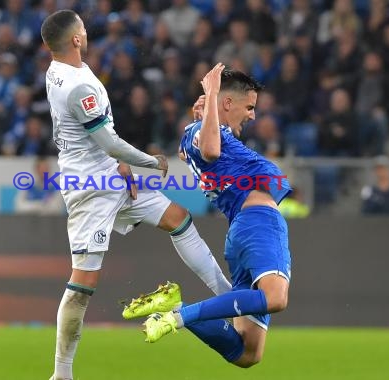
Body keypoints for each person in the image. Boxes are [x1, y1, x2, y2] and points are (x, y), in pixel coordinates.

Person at [40, 11, 231, 380]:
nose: (86, 29)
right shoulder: (76, 85)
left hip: (110, 174)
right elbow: (108, 140)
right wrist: (147, 160)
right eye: (82, 26)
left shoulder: (62, 69)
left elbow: (97, 135)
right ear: (76, 39)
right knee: (82, 286)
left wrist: (119, 165)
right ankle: (61, 374)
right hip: (90, 189)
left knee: (178, 219)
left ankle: (226, 296)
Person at [123, 64, 292, 368]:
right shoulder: (207, 134)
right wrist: (212, 93)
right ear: (228, 103)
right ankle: (178, 317)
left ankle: (177, 306)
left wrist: (208, 112)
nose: (253, 115)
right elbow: (212, 150)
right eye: (249, 107)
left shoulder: (194, 134)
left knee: (247, 354)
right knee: (276, 298)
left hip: (239, 231)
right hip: (260, 224)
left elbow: (205, 145)